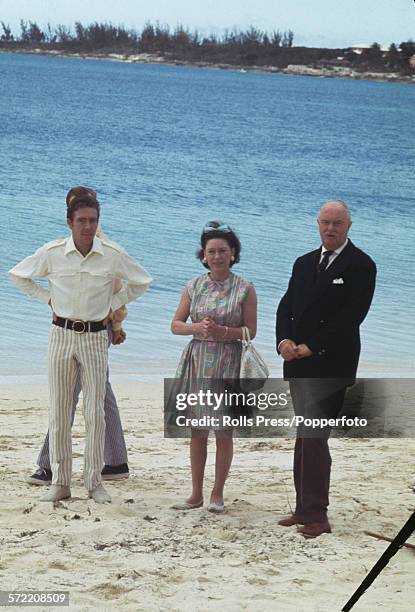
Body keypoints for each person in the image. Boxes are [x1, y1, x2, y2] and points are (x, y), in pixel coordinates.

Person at [9, 192, 152, 503]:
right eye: (82, 221)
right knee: (59, 411)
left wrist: (113, 304)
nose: (87, 226)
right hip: (60, 334)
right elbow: (18, 275)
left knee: (95, 413)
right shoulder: (53, 252)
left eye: (93, 220)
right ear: (69, 222)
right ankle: (59, 483)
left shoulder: (112, 254)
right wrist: (47, 299)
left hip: (95, 337)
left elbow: (141, 281)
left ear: (98, 222)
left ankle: (93, 483)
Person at [276, 200, 376, 537]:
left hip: (332, 362)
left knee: (315, 435)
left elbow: (350, 318)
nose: (330, 229)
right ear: (317, 224)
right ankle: (304, 508)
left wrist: (312, 346)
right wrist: (284, 342)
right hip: (297, 363)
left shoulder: (361, 265)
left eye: (337, 223)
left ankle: (317, 514)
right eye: (325, 222)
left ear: (349, 226)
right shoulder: (304, 262)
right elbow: (286, 306)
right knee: (305, 437)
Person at [28, 187, 130, 485]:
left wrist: (116, 323)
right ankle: (117, 460)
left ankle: (48, 466)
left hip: (94, 330)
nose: (83, 222)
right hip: (77, 329)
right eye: (74, 212)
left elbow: (118, 288)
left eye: (87, 215)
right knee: (101, 395)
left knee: (68, 393)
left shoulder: (101, 245)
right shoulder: (73, 244)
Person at [170, 221, 257, 513]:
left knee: (223, 431)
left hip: (228, 362)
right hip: (197, 361)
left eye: (222, 250)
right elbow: (175, 325)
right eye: (211, 251)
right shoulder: (194, 285)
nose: (217, 256)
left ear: (233, 253)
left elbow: (251, 332)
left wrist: (225, 333)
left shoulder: (245, 288)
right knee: (197, 430)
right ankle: (195, 494)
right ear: (204, 255)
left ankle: (217, 493)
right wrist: (197, 326)